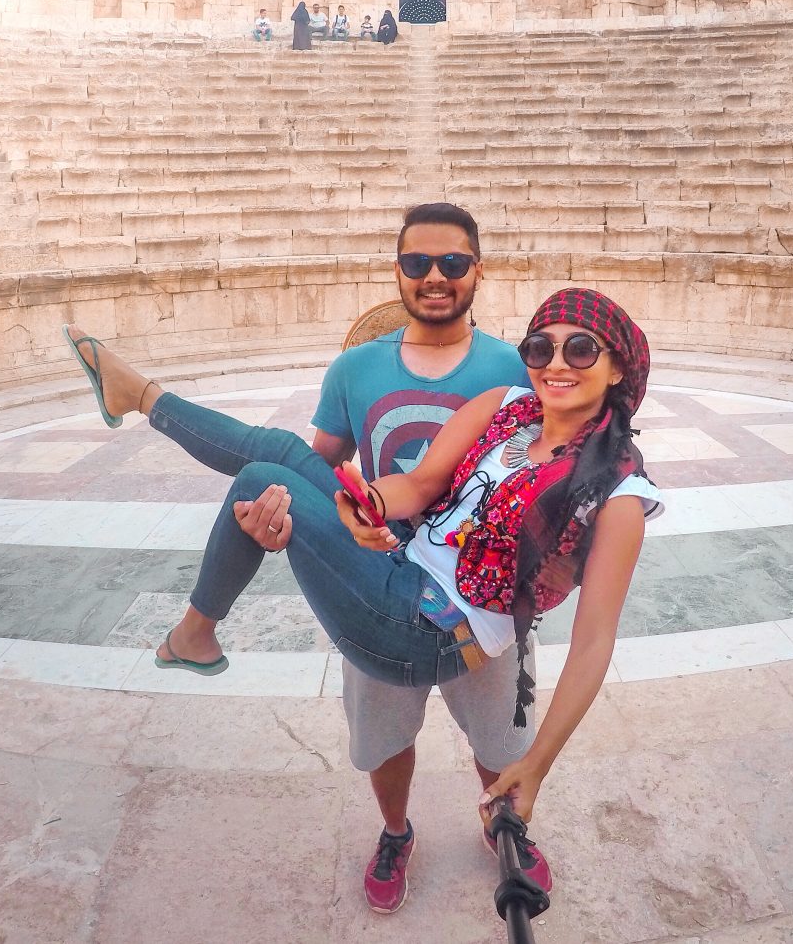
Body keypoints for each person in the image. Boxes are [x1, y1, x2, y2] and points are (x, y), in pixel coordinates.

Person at [62, 284, 661, 912]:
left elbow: (595, 641)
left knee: (265, 479)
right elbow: (422, 484)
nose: (556, 363)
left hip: (432, 632)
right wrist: (363, 507)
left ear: (618, 364)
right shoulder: (505, 404)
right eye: (541, 347)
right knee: (284, 454)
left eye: (581, 349)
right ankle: (141, 398)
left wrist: (539, 764)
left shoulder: (619, 492)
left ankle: (194, 633)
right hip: (400, 563)